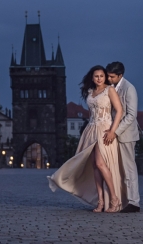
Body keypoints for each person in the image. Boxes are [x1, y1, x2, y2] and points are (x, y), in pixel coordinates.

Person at [47, 65, 125, 213]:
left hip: (104, 129)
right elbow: (91, 114)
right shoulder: (91, 92)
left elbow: (119, 111)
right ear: (92, 77)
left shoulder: (110, 90)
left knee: (101, 164)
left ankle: (114, 199)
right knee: (94, 165)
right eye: (96, 76)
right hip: (91, 129)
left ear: (105, 77)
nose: (99, 79)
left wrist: (112, 131)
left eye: (102, 76)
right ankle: (100, 201)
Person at [106, 61, 141, 213]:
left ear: (120, 75)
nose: (109, 79)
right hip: (115, 132)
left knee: (129, 169)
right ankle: (123, 200)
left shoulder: (129, 88)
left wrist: (115, 131)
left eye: (112, 76)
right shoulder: (112, 87)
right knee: (118, 169)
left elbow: (131, 115)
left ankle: (134, 202)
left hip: (125, 134)